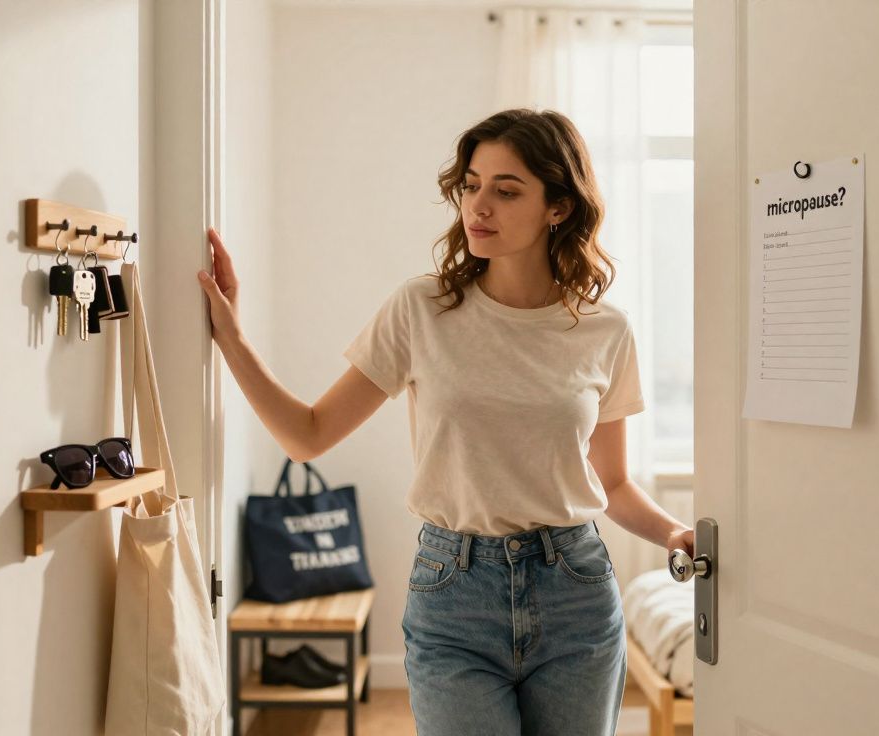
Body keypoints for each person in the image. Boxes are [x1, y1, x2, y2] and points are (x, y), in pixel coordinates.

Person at [197, 108, 695, 736]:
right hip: (454, 591)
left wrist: (675, 532)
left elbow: (613, 483)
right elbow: (307, 435)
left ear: (559, 208)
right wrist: (232, 338)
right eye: (471, 185)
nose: (477, 206)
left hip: (575, 591)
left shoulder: (605, 330)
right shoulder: (422, 310)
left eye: (506, 191)